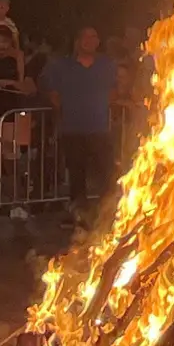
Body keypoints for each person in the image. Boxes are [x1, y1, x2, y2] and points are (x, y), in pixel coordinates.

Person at [39, 26, 122, 225]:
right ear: (77, 41)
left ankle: (107, 212)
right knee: (77, 173)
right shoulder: (61, 66)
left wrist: (102, 103)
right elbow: (49, 89)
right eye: (85, 37)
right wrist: (64, 103)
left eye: (94, 37)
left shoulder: (106, 65)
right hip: (72, 129)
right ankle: (79, 214)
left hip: (99, 129)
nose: (90, 41)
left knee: (106, 171)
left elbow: (116, 89)